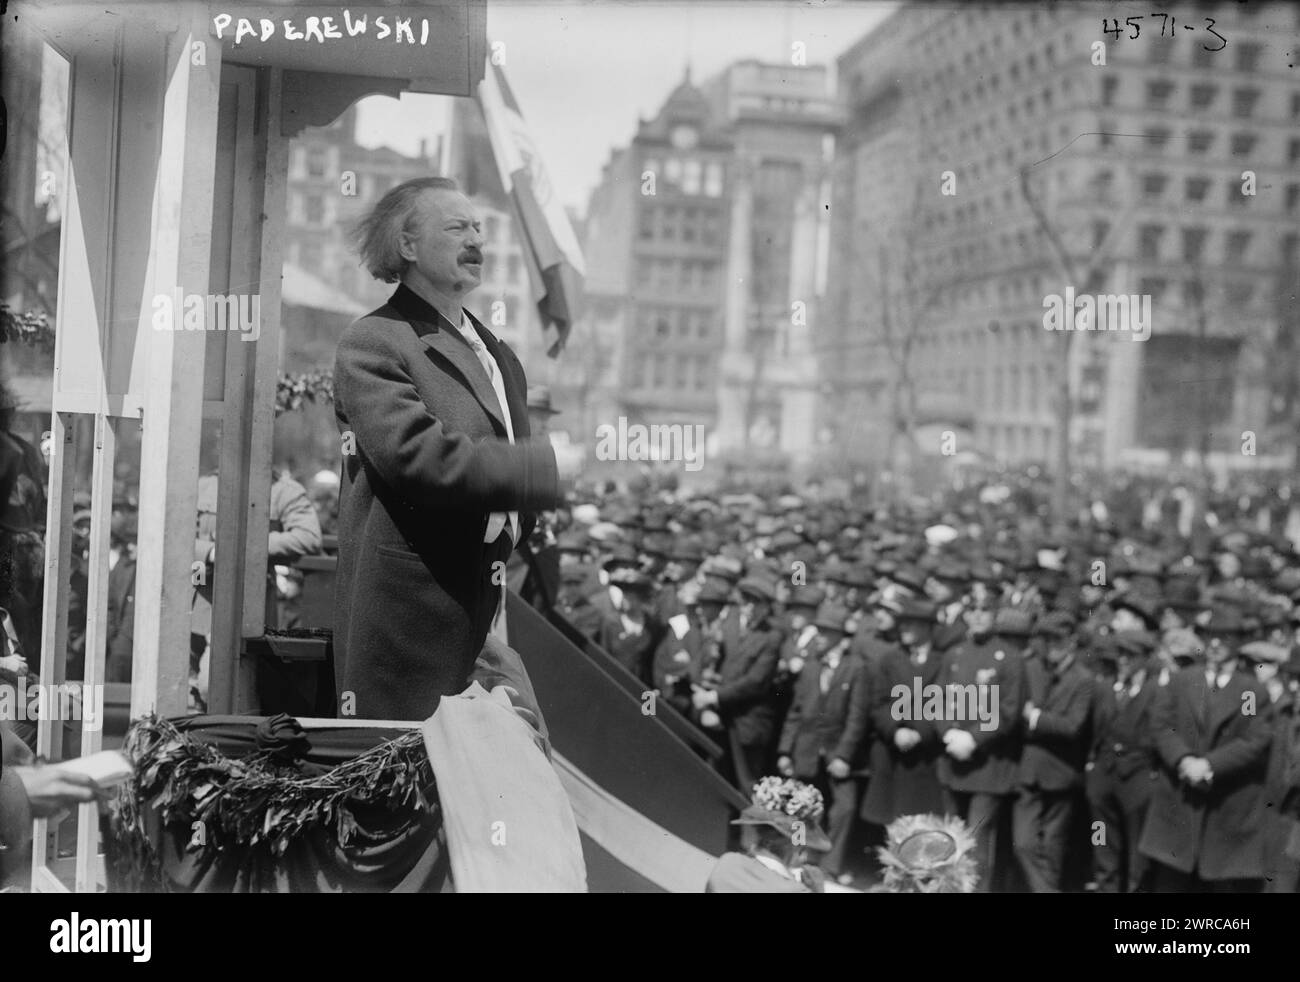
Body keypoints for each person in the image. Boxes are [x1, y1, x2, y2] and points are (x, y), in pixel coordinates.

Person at [332, 177, 580, 720]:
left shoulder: (499, 354)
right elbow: (415, 456)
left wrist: (511, 527)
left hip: (486, 614)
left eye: (479, 229)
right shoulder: (373, 342)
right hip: (410, 625)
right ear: (408, 247)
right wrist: (544, 469)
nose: (476, 242)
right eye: (456, 227)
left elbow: (510, 459)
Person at [1138, 606, 1273, 892]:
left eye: (1223, 638)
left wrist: (1209, 765)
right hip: (1179, 795)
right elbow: (1162, 725)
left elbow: (1254, 740)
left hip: (1224, 805)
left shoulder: (1251, 691)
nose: (1214, 644)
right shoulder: (1183, 680)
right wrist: (1184, 759)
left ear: (1237, 644)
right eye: (1210, 637)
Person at [776, 601, 869, 885]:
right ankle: (801, 855)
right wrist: (785, 750)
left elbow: (857, 718)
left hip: (837, 753)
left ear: (841, 637)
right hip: (807, 749)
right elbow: (795, 712)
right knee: (804, 806)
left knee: (845, 807)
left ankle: (829, 863)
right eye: (819, 632)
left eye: (827, 633)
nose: (820, 638)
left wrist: (843, 755)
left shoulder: (856, 668)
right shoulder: (811, 667)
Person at [1014, 611, 1093, 893]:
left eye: (1057, 640)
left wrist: (1035, 719)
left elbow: (1073, 726)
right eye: (1046, 640)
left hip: (1061, 773)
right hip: (1029, 770)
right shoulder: (1030, 668)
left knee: (1052, 847)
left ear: (1072, 641)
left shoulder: (1083, 679)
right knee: (1023, 842)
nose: (1051, 647)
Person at [692, 571, 783, 790]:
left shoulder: (771, 637)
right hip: (718, 715)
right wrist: (705, 686)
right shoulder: (726, 626)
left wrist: (714, 696)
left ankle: (748, 826)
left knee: (747, 784)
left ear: (767, 608)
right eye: (747, 601)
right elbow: (704, 659)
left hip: (747, 721)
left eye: (757, 604)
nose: (751, 608)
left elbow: (756, 681)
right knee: (715, 778)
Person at [1086, 632, 1160, 893]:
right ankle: (1107, 886)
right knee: (1102, 839)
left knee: (1137, 848)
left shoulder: (1155, 690)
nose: (1124, 660)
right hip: (1104, 775)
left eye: (1132, 655)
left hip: (1137, 776)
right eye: (1121, 654)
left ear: (1145, 658)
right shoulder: (1106, 687)